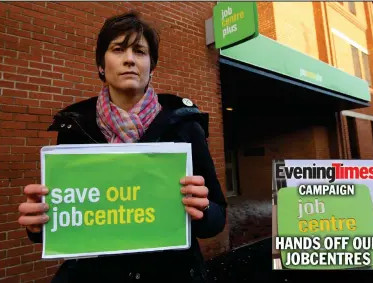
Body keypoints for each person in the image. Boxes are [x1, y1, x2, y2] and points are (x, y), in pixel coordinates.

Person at [18, 11, 227, 283]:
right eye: (118, 49)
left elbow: (217, 217)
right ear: (101, 65)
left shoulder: (185, 126)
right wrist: (39, 225)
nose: (129, 59)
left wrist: (203, 210)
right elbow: (69, 217)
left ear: (151, 67)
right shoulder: (76, 129)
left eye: (140, 51)